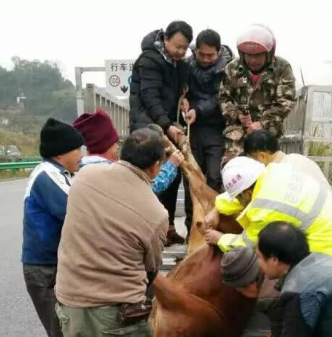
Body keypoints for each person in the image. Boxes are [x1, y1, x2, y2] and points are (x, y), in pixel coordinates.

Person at [55, 128, 168, 337]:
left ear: (120, 153)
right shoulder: (155, 212)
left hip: (69, 300)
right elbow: (151, 268)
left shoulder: (84, 179)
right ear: (157, 165)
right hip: (115, 309)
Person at [22, 118, 85, 337]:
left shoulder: (61, 173)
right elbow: (76, 211)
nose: (82, 154)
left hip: (55, 266)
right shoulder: (48, 176)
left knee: (69, 330)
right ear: (62, 152)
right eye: (78, 148)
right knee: (60, 334)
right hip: (44, 269)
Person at [203, 156, 332, 269]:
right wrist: (217, 209)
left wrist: (220, 239)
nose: (237, 202)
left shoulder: (264, 209)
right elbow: (244, 197)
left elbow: (249, 244)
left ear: (247, 193)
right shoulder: (275, 171)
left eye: (238, 198)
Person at [130, 20, 193, 246]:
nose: (180, 51)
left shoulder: (179, 64)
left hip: (165, 124)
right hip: (147, 127)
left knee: (171, 174)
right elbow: (150, 97)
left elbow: (178, 92)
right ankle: (147, 231)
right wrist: (167, 125)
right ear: (165, 39)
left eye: (185, 48)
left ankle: (168, 228)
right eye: (177, 46)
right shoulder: (149, 60)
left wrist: (184, 99)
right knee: (151, 176)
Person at [219, 24, 296, 164]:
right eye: (249, 55)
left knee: (268, 173)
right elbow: (223, 99)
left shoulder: (282, 67)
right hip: (237, 134)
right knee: (234, 172)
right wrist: (237, 114)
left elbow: (286, 101)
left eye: (258, 56)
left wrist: (263, 123)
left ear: (268, 53)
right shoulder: (232, 68)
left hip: (267, 134)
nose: (253, 60)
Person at [181, 29, 233, 234]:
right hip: (192, 128)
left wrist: (198, 109)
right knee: (192, 179)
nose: (205, 59)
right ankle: (192, 229)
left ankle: (213, 226)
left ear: (219, 52)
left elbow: (222, 97)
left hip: (216, 128)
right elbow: (181, 88)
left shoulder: (230, 68)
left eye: (210, 55)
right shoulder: (186, 64)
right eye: (201, 54)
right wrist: (182, 99)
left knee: (214, 176)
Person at [72, 108, 185, 195]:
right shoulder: (111, 173)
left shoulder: (82, 169)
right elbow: (148, 188)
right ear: (106, 145)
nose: (117, 147)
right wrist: (171, 165)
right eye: (115, 142)